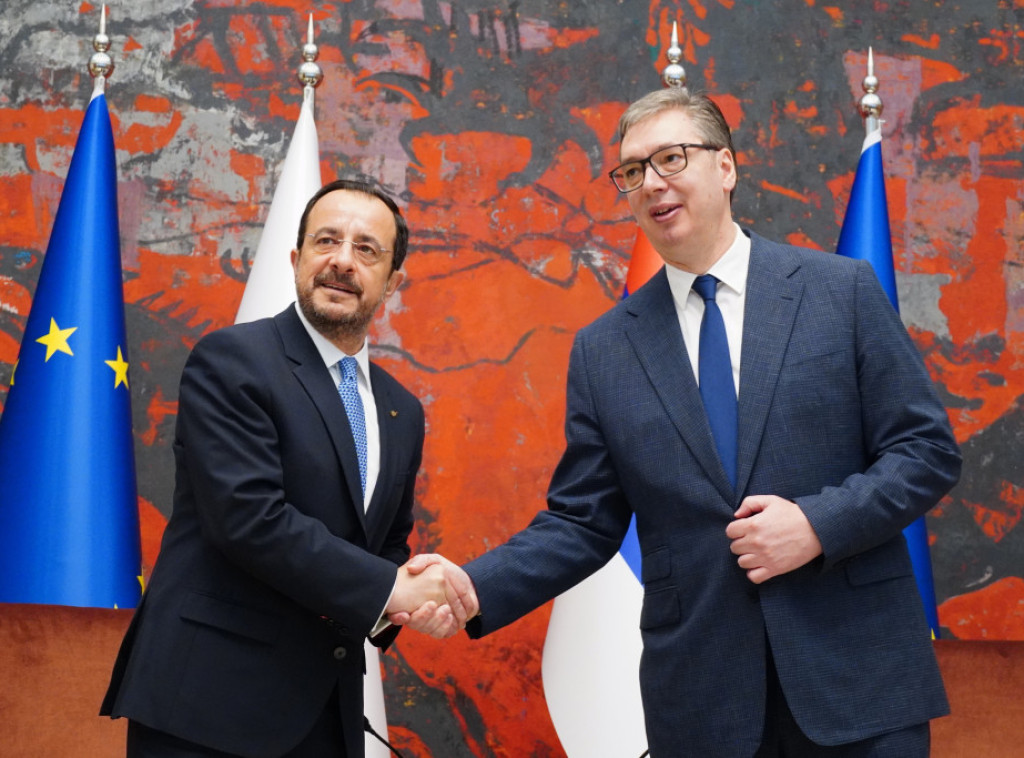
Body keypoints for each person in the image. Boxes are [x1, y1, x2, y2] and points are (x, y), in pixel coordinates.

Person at [396, 88, 963, 757]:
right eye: (633, 171)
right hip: (704, 701)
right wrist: (474, 585)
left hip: (859, 682)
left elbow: (925, 451)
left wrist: (816, 525)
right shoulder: (605, 349)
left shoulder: (840, 291)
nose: (651, 183)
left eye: (671, 158)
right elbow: (583, 522)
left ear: (725, 166)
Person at [101, 178, 476, 758]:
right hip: (207, 707)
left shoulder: (401, 411)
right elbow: (249, 520)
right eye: (327, 241)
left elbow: (386, 545)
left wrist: (405, 605)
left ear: (392, 282)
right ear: (298, 258)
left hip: (326, 716)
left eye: (366, 249)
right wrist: (393, 590)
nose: (342, 261)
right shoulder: (233, 360)